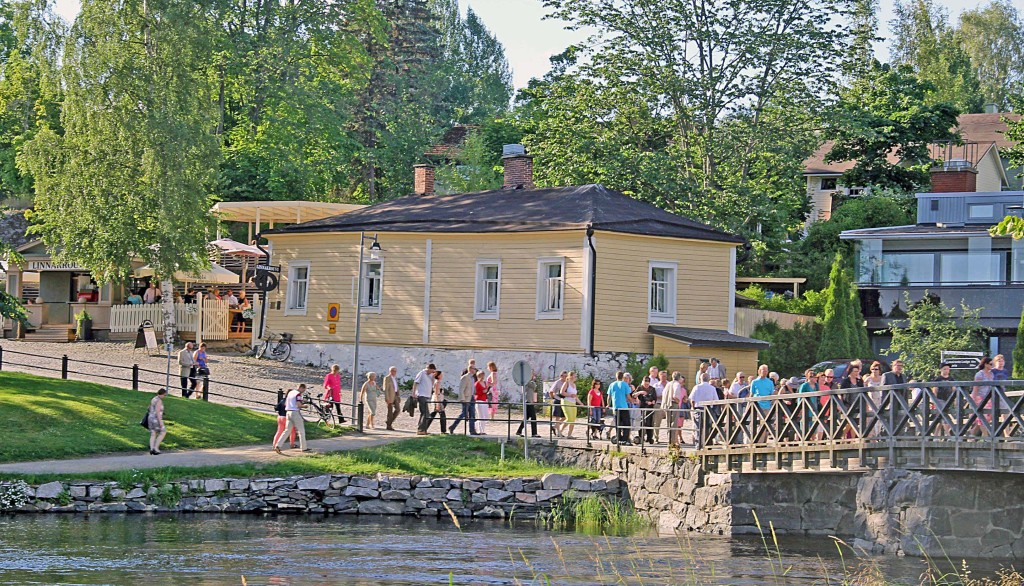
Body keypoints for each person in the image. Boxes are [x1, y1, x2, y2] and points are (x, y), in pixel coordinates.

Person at [274, 385, 308, 453]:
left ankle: (278, 445)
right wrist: (304, 406)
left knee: (287, 430)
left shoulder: (291, 393)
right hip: (295, 412)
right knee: (301, 431)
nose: (303, 392)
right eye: (303, 390)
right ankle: (304, 447)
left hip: (288, 413)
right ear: (301, 388)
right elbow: (298, 405)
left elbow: (286, 404)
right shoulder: (298, 394)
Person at [689, 373, 719, 448]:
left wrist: (693, 408)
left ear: (700, 379)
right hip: (708, 409)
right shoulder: (712, 388)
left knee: (698, 427)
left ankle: (698, 445)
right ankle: (707, 443)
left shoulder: (696, 387)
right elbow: (716, 400)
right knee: (708, 427)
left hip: (698, 409)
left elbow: (692, 399)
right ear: (708, 379)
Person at [608, 371, 633, 445]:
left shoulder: (612, 384)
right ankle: (625, 439)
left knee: (618, 423)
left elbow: (609, 396)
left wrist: (608, 404)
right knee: (626, 423)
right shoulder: (625, 384)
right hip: (624, 407)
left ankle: (618, 438)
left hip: (615, 407)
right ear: (623, 377)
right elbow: (628, 396)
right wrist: (632, 401)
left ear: (616, 376)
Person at [973, 357, 996, 436]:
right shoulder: (980, 374)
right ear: (985, 364)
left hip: (988, 398)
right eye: (990, 364)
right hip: (980, 397)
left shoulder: (991, 374)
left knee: (990, 416)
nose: (992, 365)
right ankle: (986, 436)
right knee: (983, 417)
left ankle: (972, 433)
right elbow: (975, 387)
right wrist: (974, 399)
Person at [452, 366, 478, 435]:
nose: (475, 370)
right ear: (471, 369)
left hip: (472, 397)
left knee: (472, 414)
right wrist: (462, 399)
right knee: (463, 414)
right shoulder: (465, 377)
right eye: (474, 369)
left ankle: (472, 431)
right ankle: (452, 427)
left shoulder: (473, 378)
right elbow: (461, 389)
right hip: (466, 398)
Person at [931, 362, 956, 436]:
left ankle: (935, 435)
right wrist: (934, 401)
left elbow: (954, 389)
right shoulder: (938, 379)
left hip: (948, 400)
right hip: (939, 399)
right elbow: (935, 390)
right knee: (945, 417)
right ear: (941, 370)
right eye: (945, 369)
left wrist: (955, 399)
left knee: (940, 418)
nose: (947, 370)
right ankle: (948, 435)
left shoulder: (951, 379)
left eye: (948, 369)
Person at [413, 363, 437, 435]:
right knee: (426, 413)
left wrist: (433, 376)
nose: (432, 372)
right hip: (421, 395)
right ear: (429, 368)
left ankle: (421, 429)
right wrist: (413, 393)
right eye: (432, 370)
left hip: (426, 396)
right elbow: (415, 383)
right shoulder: (422, 373)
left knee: (423, 413)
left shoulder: (430, 375)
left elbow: (432, 384)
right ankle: (421, 429)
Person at [661, 372, 684, 446]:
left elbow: (664, 393)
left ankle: (669, 440)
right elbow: (675, 395)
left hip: (667, 404)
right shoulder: (677, 384)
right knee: (674, 423)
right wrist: (678, 401)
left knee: (668, 423)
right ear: (679, 377)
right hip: (673, 404)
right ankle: (673, 441)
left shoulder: (668, 383)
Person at [635, 375, 658, 444]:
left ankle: (649, 438)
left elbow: (655, 397)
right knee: (641, 423)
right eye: (645, 384)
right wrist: (640, 392)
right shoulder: (639, 388)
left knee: (649, 423)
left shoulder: (652, 389)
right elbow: (633, 395)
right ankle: (641, 438)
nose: (646, 385)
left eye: (647, 384)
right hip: (642, 407)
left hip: (650, 408)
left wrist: (653, 401)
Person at [148, 388, 168, 455]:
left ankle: (151, 449)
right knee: (163, 431)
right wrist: (161, 422)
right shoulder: (159, 401)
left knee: (153, 433)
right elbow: (158, 412)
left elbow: (149, 408)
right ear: (161, 394)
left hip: (150, 418)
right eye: (164, 395)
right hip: (156, 419)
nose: (164, 397)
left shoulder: (154, 399)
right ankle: (156, 448)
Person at [561, 371, 581, 438]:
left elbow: (575, 396)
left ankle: (569, 434)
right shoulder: (566, 383)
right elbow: (562, 392)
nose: (576, 378)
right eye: (575, 376)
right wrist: (570, 395)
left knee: (573, 419)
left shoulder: (574, 385)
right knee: (569, 418)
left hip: (573, 403)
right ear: (571, 376)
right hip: (566, 401)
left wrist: (581, 404)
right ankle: (560, 430)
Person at [652, 371, 668, 442]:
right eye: (662, 376)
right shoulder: (656, 385)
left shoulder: (669, 384)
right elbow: (653, 395)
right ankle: (656, 437)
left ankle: (670, 438)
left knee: (670, 422)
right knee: (657, 422)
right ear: (659, 376)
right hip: (659, 404)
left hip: (667, 405)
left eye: (665, 376)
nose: (664, 377)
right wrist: (661, 397)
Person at [550, 371, 568, 436]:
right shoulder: (557, 382)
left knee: (565, 417)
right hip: (558, 400)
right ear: (561, 376)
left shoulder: (567, 383)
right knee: (557, 417)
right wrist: (553, 398)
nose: (565, 377)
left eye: (566, 376)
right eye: (564, 376)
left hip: (564, 401)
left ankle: (554, 427)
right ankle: (559, 433)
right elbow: (551, 391)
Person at [383, 366, 400, 430]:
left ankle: (389, 422)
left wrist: (398, 396)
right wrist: (387, 398)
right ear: (390, 371)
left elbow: (396, 388)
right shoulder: (387, 378)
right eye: (393, 371)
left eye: (395, 371)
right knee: (390, 411)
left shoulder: (395, 378)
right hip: (390, 396)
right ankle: (389, 426)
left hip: (395, 395)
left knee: (397, 410)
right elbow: (386, 389)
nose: (394, 372)